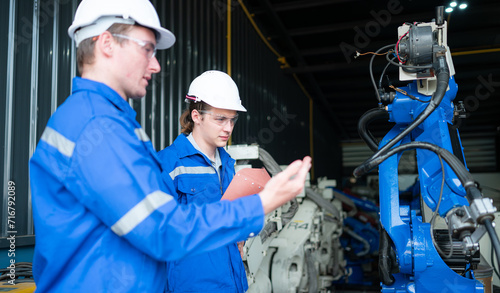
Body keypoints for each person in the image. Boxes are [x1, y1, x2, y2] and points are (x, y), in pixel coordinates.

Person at [28, 0, 311, 292]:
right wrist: (261, 204)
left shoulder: (106, 122)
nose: (156, 64)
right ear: (107, 43)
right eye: (146, 48)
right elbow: (163, 231)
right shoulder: (97, 126)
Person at [158, 70, 250, 293]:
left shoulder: (228, 165)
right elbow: (156, 234)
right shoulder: (168, 164)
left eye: (232, 120)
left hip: (233, 283)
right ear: (196, 116)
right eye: (220, 119)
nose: (228, 128)